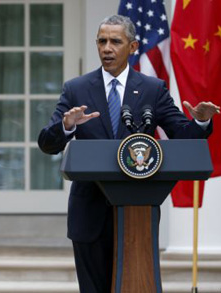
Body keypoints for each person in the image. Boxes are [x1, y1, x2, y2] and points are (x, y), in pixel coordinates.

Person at [38, 15, 220, 293]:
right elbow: (47, 143)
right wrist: (66, 126)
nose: (107, 48)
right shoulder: (76, 89)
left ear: (133, 47)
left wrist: (200, 122)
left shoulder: (152, 89)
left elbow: (183, 136)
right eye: (102, 41)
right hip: (90, 213)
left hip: (139, 211)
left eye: (115, 41)